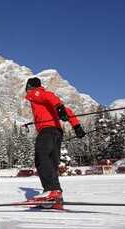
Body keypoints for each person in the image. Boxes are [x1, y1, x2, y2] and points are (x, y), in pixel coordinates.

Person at [25, 77, 86, 209]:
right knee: (52, 163)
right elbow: (67, 111)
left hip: (47, 131)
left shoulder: (36, 93)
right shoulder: (45, 102)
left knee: (41, 157)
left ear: (29, 87)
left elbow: (49, 96)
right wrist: (76, 127)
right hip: (57, 133)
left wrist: (59, 108)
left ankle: (51, 190)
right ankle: (56, 194)